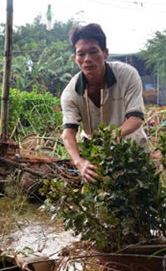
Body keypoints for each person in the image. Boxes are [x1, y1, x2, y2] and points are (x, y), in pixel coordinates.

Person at [60, 23, 148, 183]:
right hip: (96, 156)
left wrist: (112, 136)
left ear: (105, 53)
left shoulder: (127, 75)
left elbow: (136, 119)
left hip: (132, 150)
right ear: (75, 58)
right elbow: (68, 134)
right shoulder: (70, 93)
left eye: (93, 52)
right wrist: (79, 162)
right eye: (81, 54)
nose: (87, 59)